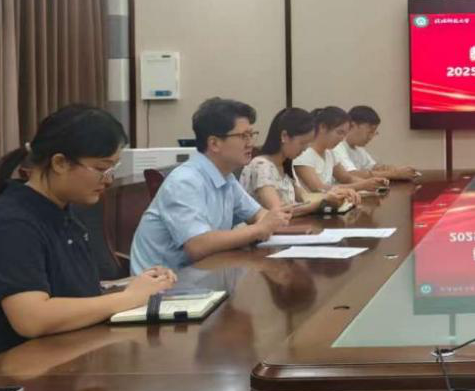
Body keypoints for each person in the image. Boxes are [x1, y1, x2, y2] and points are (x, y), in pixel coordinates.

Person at [0, 105, 177, 372]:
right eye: (101, 168)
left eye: (112, 168)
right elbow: (32, 318)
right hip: (0, 380)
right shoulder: (9, 224)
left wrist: (135, 285)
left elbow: (75, 291)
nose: (108, 180)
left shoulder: (62, 213)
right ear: (59, 163)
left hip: (57, 363)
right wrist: (128, 298)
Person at [130, 97, 291, 274]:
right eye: (243, 136)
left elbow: (259, 215)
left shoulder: (227, 177)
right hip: (162, 284)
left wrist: (267, 222)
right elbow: (198, 245)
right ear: (214, 143)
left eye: (251, 135)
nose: (250, 143)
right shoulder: (184, 181)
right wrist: (258, 229)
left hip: (204, 275)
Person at [240, 107, 330, 215]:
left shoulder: (286, 164)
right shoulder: (261, 165)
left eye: (308, 143)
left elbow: (305, 197)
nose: (305, 148)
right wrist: (321, 203)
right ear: (284, 136)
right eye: (302, 143)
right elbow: (279, 211)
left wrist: (330, 197)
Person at [291, 106, 366, 204]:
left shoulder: (330, 152)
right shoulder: (303, 154)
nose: (342, 139)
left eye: (345, 134)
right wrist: (363, 185)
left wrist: (369, 183)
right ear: (322, 127)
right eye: (339, 132)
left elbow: (346, 178)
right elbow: (318, 188)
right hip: (314, 206)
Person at [334, 105, 418, 182]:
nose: (371, 137)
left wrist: (394, 169)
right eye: (370, 132)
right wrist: (395, 174)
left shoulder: (359, 149)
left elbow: (374, 168)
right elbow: (351, 174)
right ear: (352, 125)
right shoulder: (337, 146)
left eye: (374, 133)